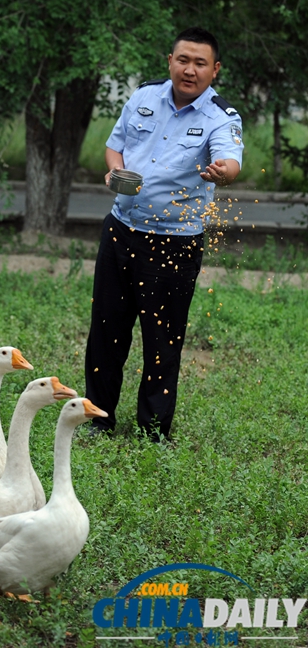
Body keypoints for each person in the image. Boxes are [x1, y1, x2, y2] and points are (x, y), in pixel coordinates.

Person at [84, 27, 244, 441]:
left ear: (215, 70)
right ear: (170, 61)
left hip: (173, 245)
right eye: (183, 60)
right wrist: (113, 169)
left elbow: (230, 163)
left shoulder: (221, 118)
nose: (190, 70)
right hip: (120, 232)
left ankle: (153, 432)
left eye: (200, 63)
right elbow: (115, 145)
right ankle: (97, 421)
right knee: (105, 332)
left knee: (162, 341)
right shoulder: (143, 97)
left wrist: (220, 173)